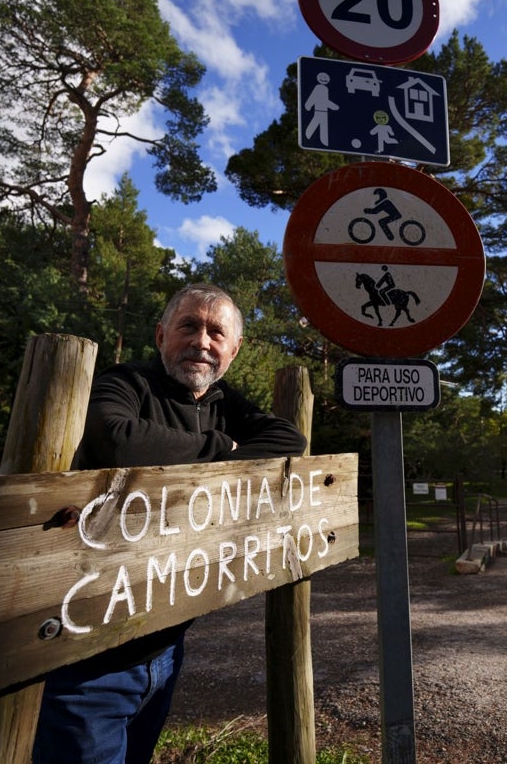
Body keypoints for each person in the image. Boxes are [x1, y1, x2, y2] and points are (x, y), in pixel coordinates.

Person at [33, 283, 308, 764]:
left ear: (234, 350)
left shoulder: (223, 402)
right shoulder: (126, 382)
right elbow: (118, 439)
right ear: (162, 335)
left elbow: (289, 439)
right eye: (189, 326)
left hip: (165, 650)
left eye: (216, 332)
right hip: (85, 658)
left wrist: (216, 444)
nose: (202, 341)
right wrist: (225, 451)